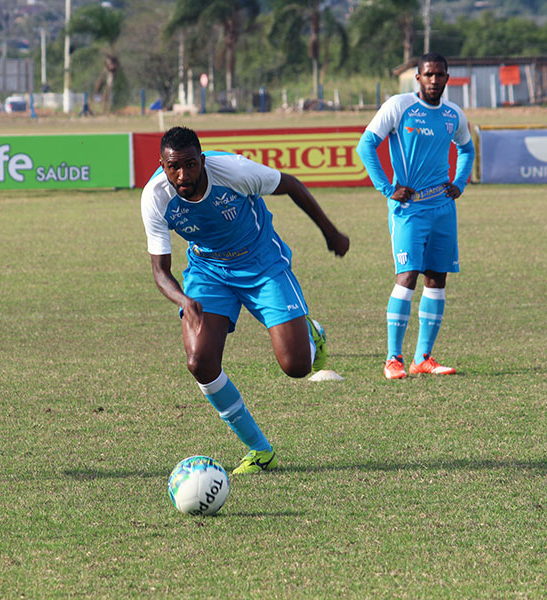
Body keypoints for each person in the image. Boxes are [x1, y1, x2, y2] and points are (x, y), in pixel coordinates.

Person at [141, 126, 349, 474]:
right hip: (208, 270)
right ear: (162, 165)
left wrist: (331, 233)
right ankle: (259, 450)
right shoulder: (155, 197)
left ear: (202, 161)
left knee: (297, 366)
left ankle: (312, 334)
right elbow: (160, 271)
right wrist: (184, 300)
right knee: (200, 362)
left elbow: (291, 185)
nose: (183, 175)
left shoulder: (234, 171)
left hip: (261, 262)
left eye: (190, 165)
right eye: (173, 167)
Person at [356, 52, 475, 380]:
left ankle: (423, 358)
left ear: (447, 78)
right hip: (409, 210)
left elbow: (467, 149)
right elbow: (366, 145)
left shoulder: (453, 114)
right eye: (428, 74)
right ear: (418, 77)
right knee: (407, 277)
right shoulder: (399, 106)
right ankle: (392, 359)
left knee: (436, 279)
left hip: (443, 208)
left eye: (440, 74)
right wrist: (386, 187)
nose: (434, 80)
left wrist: (459, 182)